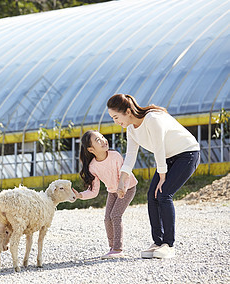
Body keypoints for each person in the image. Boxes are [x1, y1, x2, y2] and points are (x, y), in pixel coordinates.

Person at [107, 94, 200, 259]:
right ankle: (157, 242)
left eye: (116, 117)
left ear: (128, 111)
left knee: (164, 195)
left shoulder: (152, 119)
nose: (115, 122)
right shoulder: (131, 130)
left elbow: (159, 148)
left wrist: (162, 177)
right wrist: (122, 181)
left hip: (187, 153)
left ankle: (168, 245)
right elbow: (130, 157)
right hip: (167, 158)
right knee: (152, 195)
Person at [73, 130, 138, 259]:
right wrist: (80, 195)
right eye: (98, 140)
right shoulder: (93, 167)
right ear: (91, 149)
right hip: (112, 191)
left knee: (115, 215)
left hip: (128, 187)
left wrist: (122, 188)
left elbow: (124, 175)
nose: (104, 140)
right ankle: (112, 247)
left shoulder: (115, 156)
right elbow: (94, 191)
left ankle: (118, 249)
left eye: (102, 137)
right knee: (107, 218)